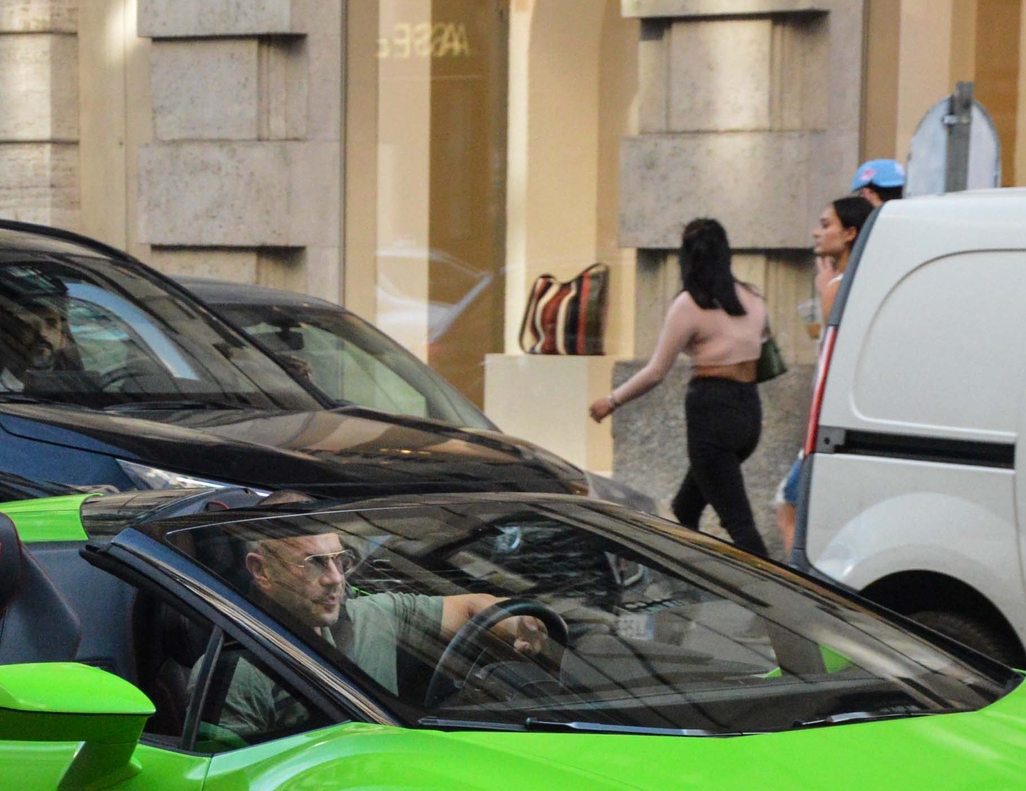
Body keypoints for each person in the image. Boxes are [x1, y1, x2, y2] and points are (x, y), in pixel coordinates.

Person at [220, 527, 538, 732]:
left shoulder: (372, 616)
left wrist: (524, 626)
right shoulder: (236, 675)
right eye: (315, 562)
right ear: (261, 571)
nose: (335, 578)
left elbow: (472, 609)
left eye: (340, 561)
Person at [587, 217, 773, 556]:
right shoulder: (753, 298)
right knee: (685, 510)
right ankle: (684, 582)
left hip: (712, 413)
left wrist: (612, 401)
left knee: (739, 524)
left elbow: (657, 371)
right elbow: (761, 345)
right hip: (749, 414)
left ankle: (783, 600)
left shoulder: (689, 305)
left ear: (685, 259)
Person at [808, 196, 868, 337]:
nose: (815, 233)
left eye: (825, 225)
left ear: (850, 233)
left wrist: (828, 289)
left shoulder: (836, 289)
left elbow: (835, 346)